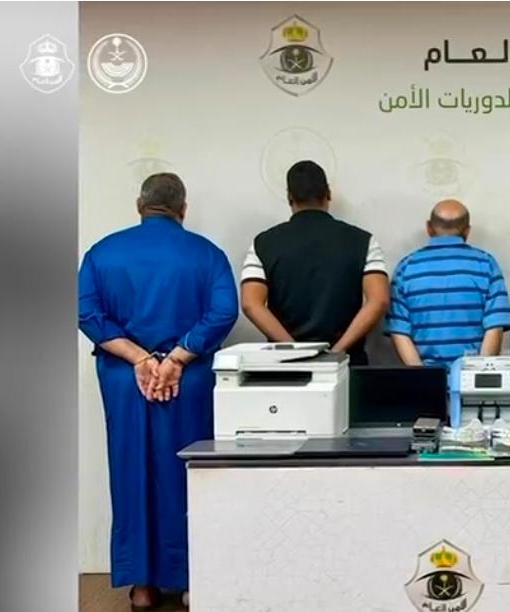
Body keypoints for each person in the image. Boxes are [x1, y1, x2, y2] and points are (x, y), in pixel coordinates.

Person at [78, 173, 238, 610]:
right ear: (182, 209)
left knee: (130, 470)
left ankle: (143, 586)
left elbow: (87, 312)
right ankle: (190, 581)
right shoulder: (207, 254)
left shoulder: (102, 253)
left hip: (124, 380)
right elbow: (224, 311)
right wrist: (176, 359)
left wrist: (138, 358)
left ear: (139, 205)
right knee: (190, 473)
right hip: (189, 380)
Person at [240, 160, 389, 364]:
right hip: (347, 363)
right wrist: (337, 352)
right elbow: (378, 300)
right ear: (328, 193)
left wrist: (296, 350)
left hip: (286, 365)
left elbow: (251, 304)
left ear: (289, 197)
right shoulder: (364, 241)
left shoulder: (263, 243)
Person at [385, 199, 510, 366]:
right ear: (467, 230)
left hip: (425, 377)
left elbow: (399, 330)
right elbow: (495, 327)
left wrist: (421, 375)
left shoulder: (406, 267)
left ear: (429, 227)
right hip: (472, 376)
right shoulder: (486, 264)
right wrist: (476, 373)